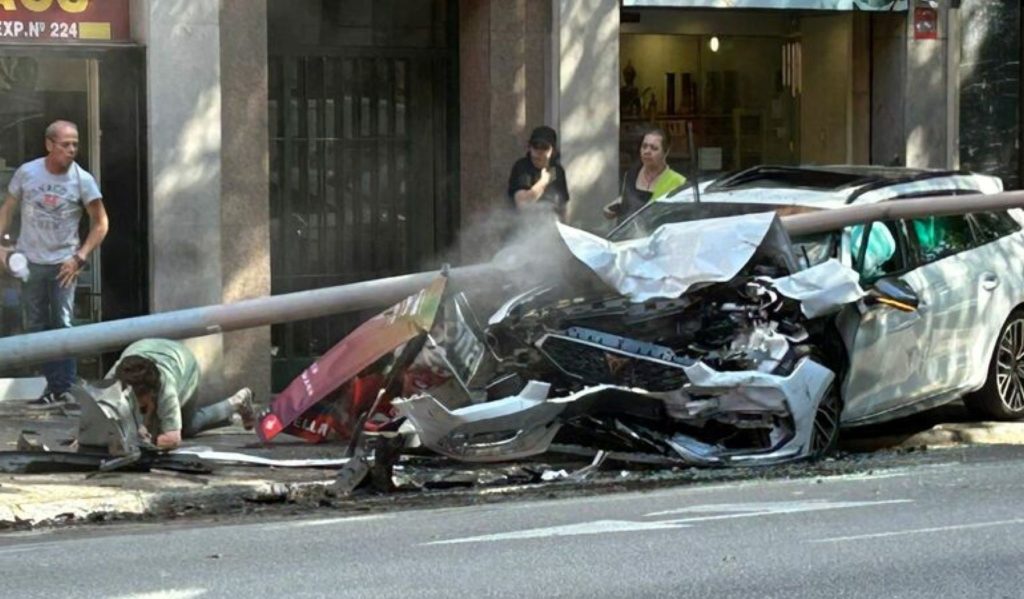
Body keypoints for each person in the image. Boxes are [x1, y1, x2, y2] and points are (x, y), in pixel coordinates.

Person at [0, 120, 109, 408]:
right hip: (30, 261)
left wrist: (80, 257)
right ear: (49, 144)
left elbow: (101, 223)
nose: (72, 149)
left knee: (62, 323)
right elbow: (7, 209)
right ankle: (49, 384)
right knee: (35, 323)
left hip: (64, 263)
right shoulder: (27, 172)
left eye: (75, 144)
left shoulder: (83, 180)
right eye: (65, 144)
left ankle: (63, 387)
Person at [108, 338, 256, 449]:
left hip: (185, 364)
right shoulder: (113, 378)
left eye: (143, 407)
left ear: (153, 393)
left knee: (187, 427)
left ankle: (236, 402)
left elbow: (173, 439)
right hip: (145, 346)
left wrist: (145, 441)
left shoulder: (166, 388)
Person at [604, 127, 686, 224]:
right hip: (627, 232)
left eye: (654, 148)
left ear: (666, 152)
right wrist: (613, 207)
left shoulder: (678, 182)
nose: (647, 151)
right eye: (644, 146)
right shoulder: (631, 174)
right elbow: (627, 198)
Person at [507, 125, 571, 221]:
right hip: (524, 225)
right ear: (529, 148)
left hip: (551, 224)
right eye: (535, 146)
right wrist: (543, 182)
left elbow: (563, 207)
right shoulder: (522, 167)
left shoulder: (557, 170)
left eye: (544, 147)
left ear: (552, 151)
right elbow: (522, 204)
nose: (539, 152)